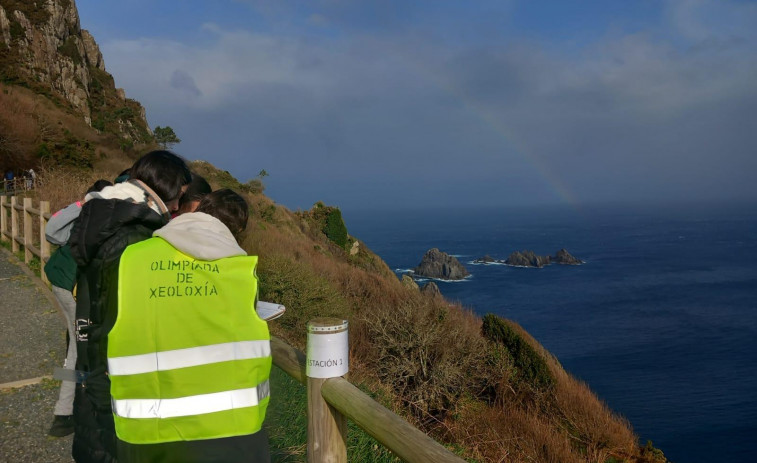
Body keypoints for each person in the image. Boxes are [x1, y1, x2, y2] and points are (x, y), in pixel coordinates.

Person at [109, 189, 272, 463]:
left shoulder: (132, 258)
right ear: (239, 229)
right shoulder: (241, 269)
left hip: (146, 433)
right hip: (232, 432)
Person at [68, 151, 192, 463]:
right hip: (115, 383)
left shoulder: (105, 218)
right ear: (167, 186)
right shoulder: (133, 236)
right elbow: (128, 320)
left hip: (94, 363)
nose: (177, 206)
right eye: (179, 194)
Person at [44, 179, 113, 437]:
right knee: (78, 345)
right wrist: (86, 201)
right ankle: (64, 414)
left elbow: (54, 234)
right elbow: (53, 230)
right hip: (72, 287)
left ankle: (69, 406)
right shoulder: (94, 210)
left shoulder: (84, 212)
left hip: (60, 283)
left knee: (74, 342)